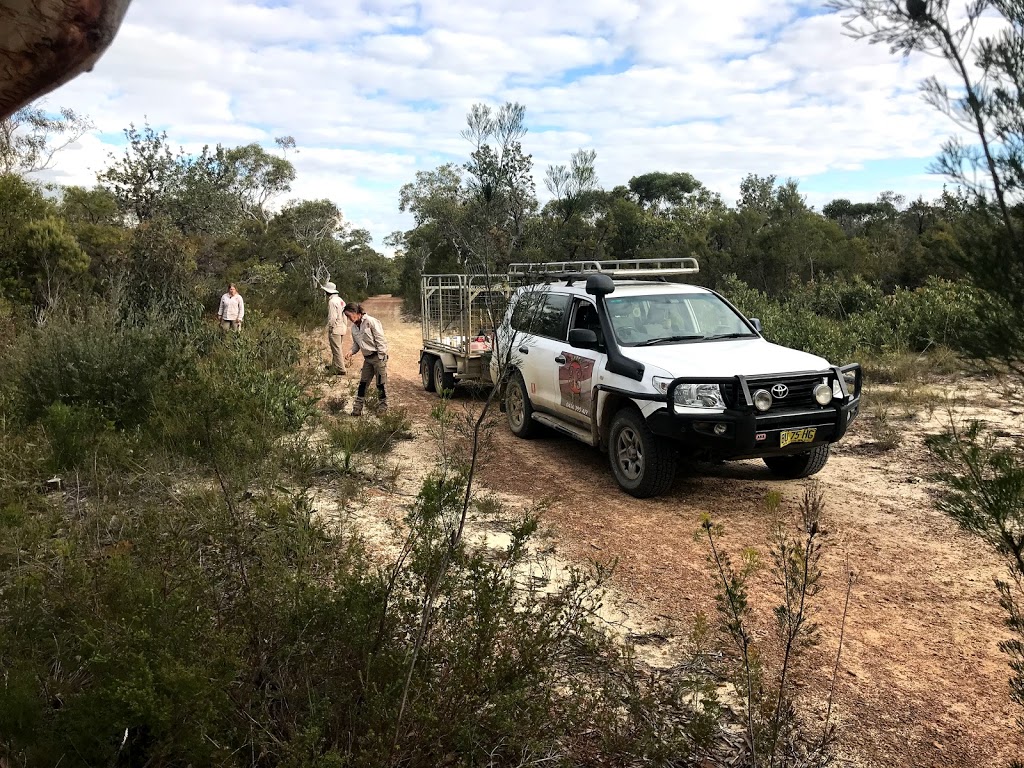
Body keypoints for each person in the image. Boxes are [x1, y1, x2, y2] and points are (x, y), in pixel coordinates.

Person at [343, 303, 389, 415]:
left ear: (357, 313)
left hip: (377, 357)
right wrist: (351, 351)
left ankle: (382, 408)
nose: (349, 319)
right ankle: (357, 409)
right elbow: (356, 344)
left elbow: (380, 339)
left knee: (380, 384)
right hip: (367, 359)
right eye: (347, 317)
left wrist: (381, 356)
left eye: (349, 315)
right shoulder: (353, 328)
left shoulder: (371, 322)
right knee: (363, 384)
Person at [321, 281, 347, 375]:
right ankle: (335, 365)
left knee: (336, 349)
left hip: (335, 328)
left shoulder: (332, 302)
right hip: (342, 327)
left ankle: (341, 369)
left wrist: (330, 327)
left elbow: (332, 317)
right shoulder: (341, 300)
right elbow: (345, 315)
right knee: (337, 348)